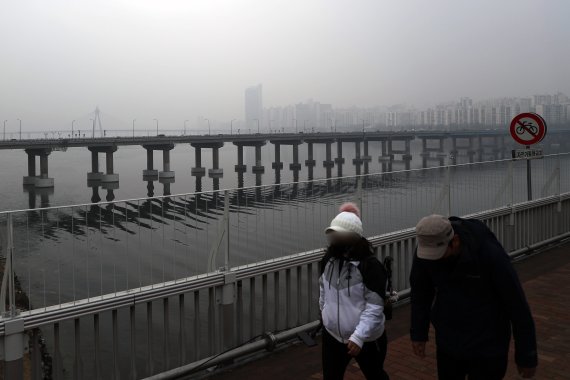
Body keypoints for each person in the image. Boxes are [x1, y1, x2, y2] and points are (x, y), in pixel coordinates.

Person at [410, 214, 538, 380]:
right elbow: (421, 292)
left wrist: (527, 355)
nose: (434, 260)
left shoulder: (488, 253)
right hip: (449, 343)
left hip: (488, 346)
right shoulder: (427, 250)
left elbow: (516, 304)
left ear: (455, 241)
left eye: (439, 254)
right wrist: (418, 333)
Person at [319, 203, 390, 380]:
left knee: (376, 375)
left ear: (353, 237)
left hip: (366, 340)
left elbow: (375, 306)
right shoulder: (328, 260)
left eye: (339, 235)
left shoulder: (370, 266)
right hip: (332, 335)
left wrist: (359, 336)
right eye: (333, 234)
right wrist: (325, 315)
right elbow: (323, 290)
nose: (335, 239)